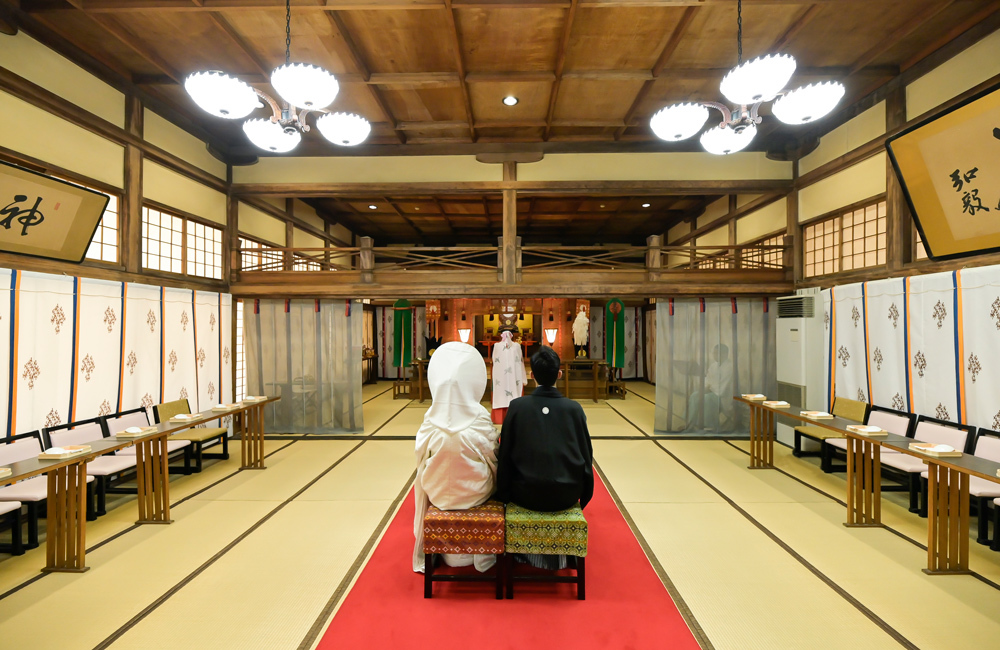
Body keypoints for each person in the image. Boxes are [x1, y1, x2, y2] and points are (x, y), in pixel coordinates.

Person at [412, 342, 500, 573]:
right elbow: (492, 456)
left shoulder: (430, 419)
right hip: (476, 494)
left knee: (424, 472)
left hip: (438, 493)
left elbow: (419, 458)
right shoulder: (480, 417)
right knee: (497, 470)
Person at [495, 345, 594, 513]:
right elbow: (586, 454)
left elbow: (505, 453)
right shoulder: (574, 409)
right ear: (559, 374)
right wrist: (583, 494)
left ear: (532, 375)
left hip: (524, 493)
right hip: (566, 495)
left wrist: (503, 495)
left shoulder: (517, 407)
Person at [687, 343, 734, 431]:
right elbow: (708, 379)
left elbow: (724, 385)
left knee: (707, 398)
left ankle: (710, 426)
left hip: (723, 395)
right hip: (712, 390)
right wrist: (705, 387)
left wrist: (709, 389)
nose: (715, 355)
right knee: (694, 395)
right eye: (714, 353)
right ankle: (691, 423)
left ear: (725, 354)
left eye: (717, 353)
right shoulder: (713, 365)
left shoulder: (730, 367)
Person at [491, 330, 526, 424]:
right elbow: (495, 361)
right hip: (502, 375)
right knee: (503, 391)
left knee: (512, 390)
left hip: (514, 375)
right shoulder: (497, 346)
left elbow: (520, 361)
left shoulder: (516, 346)